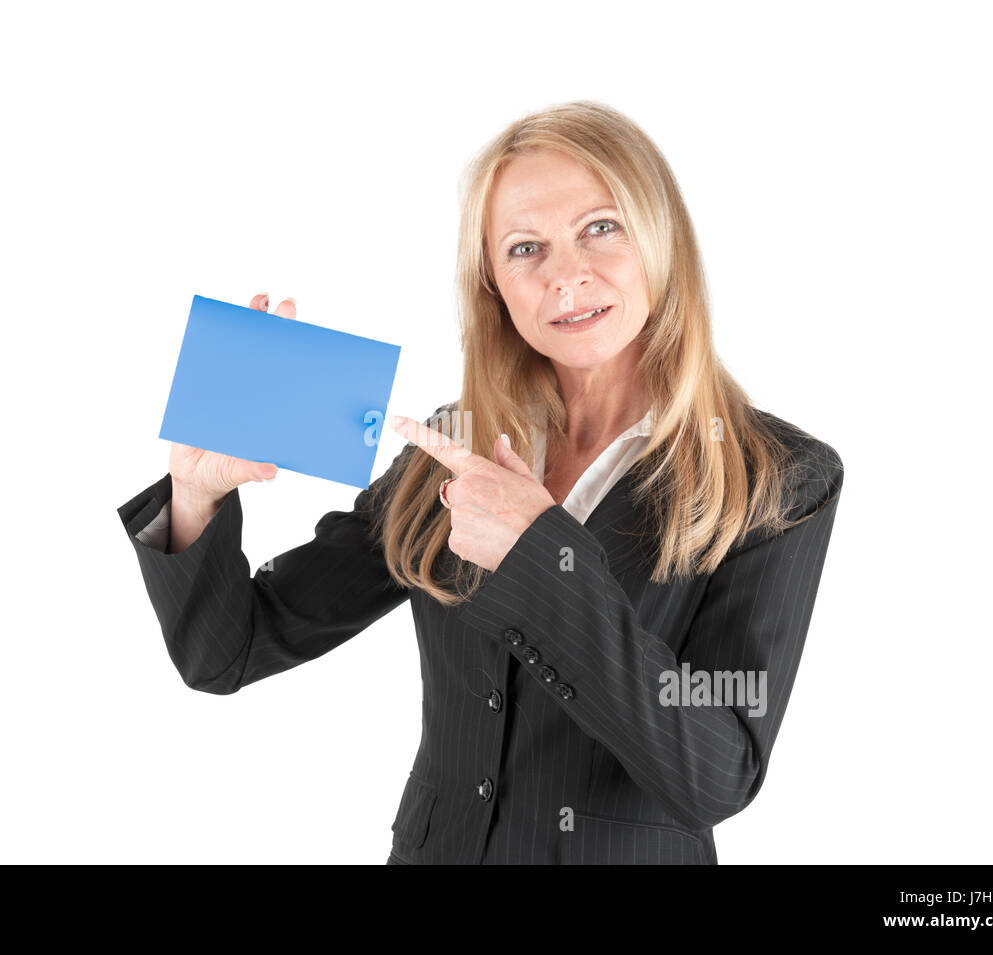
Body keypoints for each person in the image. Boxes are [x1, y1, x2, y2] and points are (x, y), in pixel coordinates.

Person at [116, 100, 844, 864]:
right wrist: (195, 495)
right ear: (493, 282)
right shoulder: (451, 444)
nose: (568, 276)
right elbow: (231, 651)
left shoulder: (778, 477)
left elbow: (715, 772)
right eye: (526, 248)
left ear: (662, 240)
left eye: (601, 227)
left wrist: (540, 552)